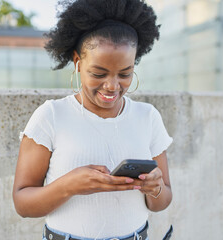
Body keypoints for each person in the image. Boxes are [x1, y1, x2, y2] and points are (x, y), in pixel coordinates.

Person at [13, 0, 173, 239]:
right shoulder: (51, 116)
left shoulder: (147, 117)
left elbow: (162, 201)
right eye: (99, 73)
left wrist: (155, 188)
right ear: (78, 62)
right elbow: (23, 204)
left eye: (125, 74)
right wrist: (69, 186)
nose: (112, 86)